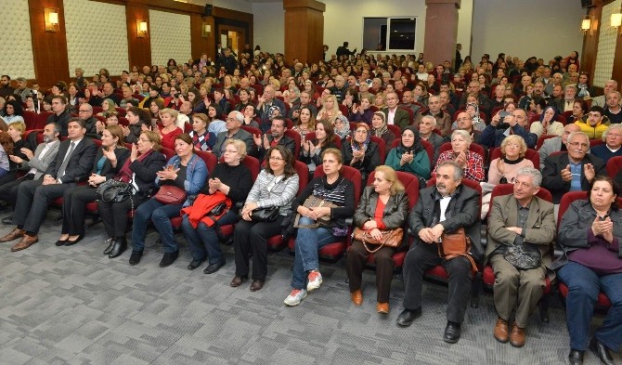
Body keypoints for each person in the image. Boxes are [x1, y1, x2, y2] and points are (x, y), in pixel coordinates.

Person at [396, 161, 482, 344]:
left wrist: (442, 226)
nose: (440, 181)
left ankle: (454, 321)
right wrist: (420, 230)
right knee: (412, 258)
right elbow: (414, 215)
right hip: (430, 243)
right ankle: (412, 307)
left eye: (446, 177)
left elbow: (468, 217)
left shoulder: (471, 195)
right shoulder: (426, 192)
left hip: (456, 247)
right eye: (438, 176)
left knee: (461, 269)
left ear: (458, 181)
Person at [0, 118, 97, 252]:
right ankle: (20, 227)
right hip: (53, 179)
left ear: (84, 130)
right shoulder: (65, 143)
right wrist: (48, 175)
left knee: (41, 191)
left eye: (75, 127)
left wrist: (60, 180)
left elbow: (82, 169)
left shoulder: (89, 145)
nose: (71, 129)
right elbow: (53, 164)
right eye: (69, 127)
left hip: (71, 183)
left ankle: (31, 234)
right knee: (25, 186)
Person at [554, 176, 622, 365]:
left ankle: (603, 340)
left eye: (605, 190)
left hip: (615, 270)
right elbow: (563, 235)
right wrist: (591, 231)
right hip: (578, 265)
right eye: (595, 189)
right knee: (582, 290)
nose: (599, 193)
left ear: (614, 197)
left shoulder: (620, 216)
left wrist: (612, 240)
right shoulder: (577, 207)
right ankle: (578, 346)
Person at [486, 168, 556, 347]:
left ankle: (519, 324)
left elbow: (548, 236)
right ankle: (503, 318)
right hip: (503, 250)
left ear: (535, 190)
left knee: (533, 282)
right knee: (508, 276)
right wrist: (520, 238)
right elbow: (494, 229)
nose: (518, 187)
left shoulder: (546, 207)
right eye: (516, 182)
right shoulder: (501, 201)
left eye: (525, 184)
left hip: (534, 253)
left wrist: (520, 231)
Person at [283, 148, 355, 306]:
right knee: (305, 224)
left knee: (302, 238)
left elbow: (350, 210)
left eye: (331, 161)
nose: (326, 165)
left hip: (333, 227)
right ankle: (313, 272)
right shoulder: (316, 181)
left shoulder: (347, 184)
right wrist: (302, 209)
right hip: (310, 224)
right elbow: (296, 202)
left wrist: (326, 210)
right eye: (324, 161)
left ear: (339, 165)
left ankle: (298, 288)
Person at [129, 134, 208, 267]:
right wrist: (163, 178)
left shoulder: (198, 164)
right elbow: (156, 182)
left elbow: (195, 189)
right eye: (176, 145)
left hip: (185, 200)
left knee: (158, 214)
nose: (178, 148)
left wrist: (175, 176)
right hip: (166, 194)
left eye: (182, 144)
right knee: (141, 211)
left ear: (191, 146)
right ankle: (137, 248)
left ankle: (171, 249)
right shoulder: (174, 160)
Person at [231, 145, 299, 291]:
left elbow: (283, 200)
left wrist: (257, 204)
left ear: (286, 161)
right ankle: (241, 272)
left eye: (278, 158)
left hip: (280, 215)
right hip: (259, 212)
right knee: (240, 228)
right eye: (272, 157)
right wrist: (247, 208)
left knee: (257, 232)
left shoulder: (293, 178)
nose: (274, 161)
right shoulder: (263, 173)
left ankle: (258, 276)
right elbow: (254, 192)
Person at [182, 139, 253, 273]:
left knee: (204, 225)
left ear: (240, 155)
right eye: (226, 150)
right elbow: (204, 188)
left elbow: (243, 196)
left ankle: (216, 259)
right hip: (210, 203)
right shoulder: (220, 167)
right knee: (186, 221)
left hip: (230, 207)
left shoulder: (245, 172)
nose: (226, 153)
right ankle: (198, 254)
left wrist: (223, 187)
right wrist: (212, 189)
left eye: (231, 151)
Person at [346, 165, 409, 313]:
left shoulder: (401, 196)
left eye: (379, 180)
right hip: (367, 232)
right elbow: (358, 213)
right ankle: (355, 289)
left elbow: (400, 217)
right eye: (375, 179)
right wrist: (370, 226)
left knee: (384, 258)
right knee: (354, 251)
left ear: (390, 183)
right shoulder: (369, 191)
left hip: (387, 236)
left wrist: (379, 224)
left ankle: (383, 300)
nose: (374, 183)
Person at [57, 125, 129, 246]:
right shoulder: (101, 149)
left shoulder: (124, 152)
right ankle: (67, 230)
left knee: (76, 195)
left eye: (106, 136)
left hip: (108, 187)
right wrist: (92, 178)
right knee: (68, 192)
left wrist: (106, 172)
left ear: (116, 138)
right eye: (102, 135)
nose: (102, 137)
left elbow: (121, 176)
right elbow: (94, 168)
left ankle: (76, 231)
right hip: (95, 183)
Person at [99, 131, 167, 259]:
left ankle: (120, 240)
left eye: (143, 140)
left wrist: (134, 159)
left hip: (141, 194)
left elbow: (147, 176)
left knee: (118, 205)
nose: (138, 142)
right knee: (104, 201)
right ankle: (114, 236)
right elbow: (121, 172)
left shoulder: (157, 157)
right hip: (125, 188)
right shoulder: (137, 155)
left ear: (152, 144)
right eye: (138, 139)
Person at [542, 131, 606, 204]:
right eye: (575, 144)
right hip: (560, 202)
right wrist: (562, 179)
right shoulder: (553, 160)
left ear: (587, 148)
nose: (579, 148)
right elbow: (545, 183)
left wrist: (592, 180)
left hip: (588, 203)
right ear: (567, 145)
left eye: (584, 145)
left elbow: (605, 187)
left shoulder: (597, 163)